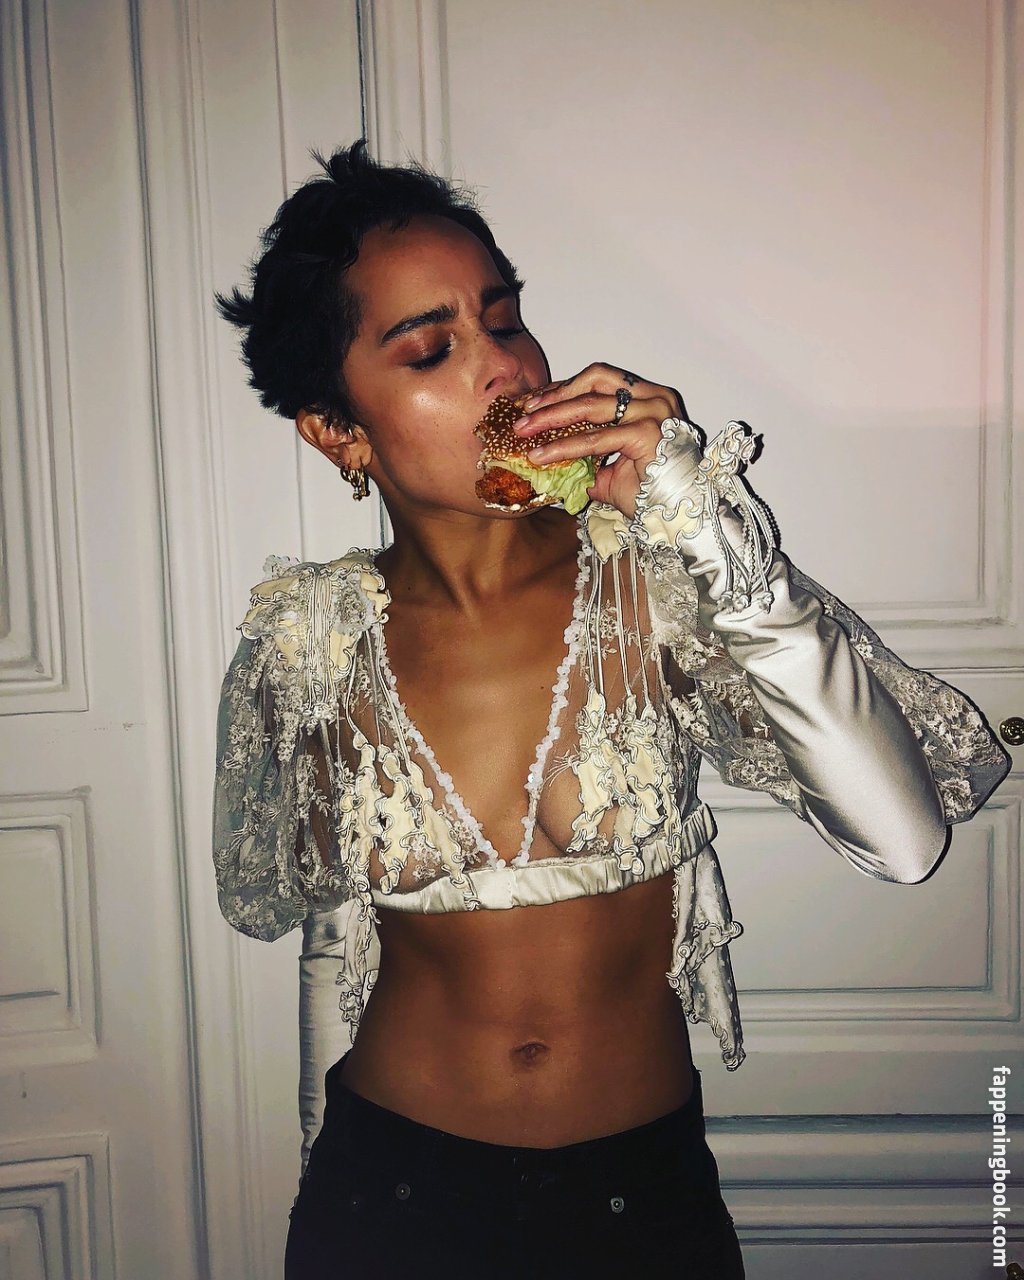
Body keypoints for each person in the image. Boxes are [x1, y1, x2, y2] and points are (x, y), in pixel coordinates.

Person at [212, 141, 1009, 1279]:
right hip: (387, 1191)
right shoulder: (311, 636)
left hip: (641, 1200)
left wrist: (703, 525)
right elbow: (331, 942)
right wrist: (317, 1174)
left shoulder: (655, 578)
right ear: (339, 431)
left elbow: (905, 839)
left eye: (504, 318)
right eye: (433, 347)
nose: (504, 366)